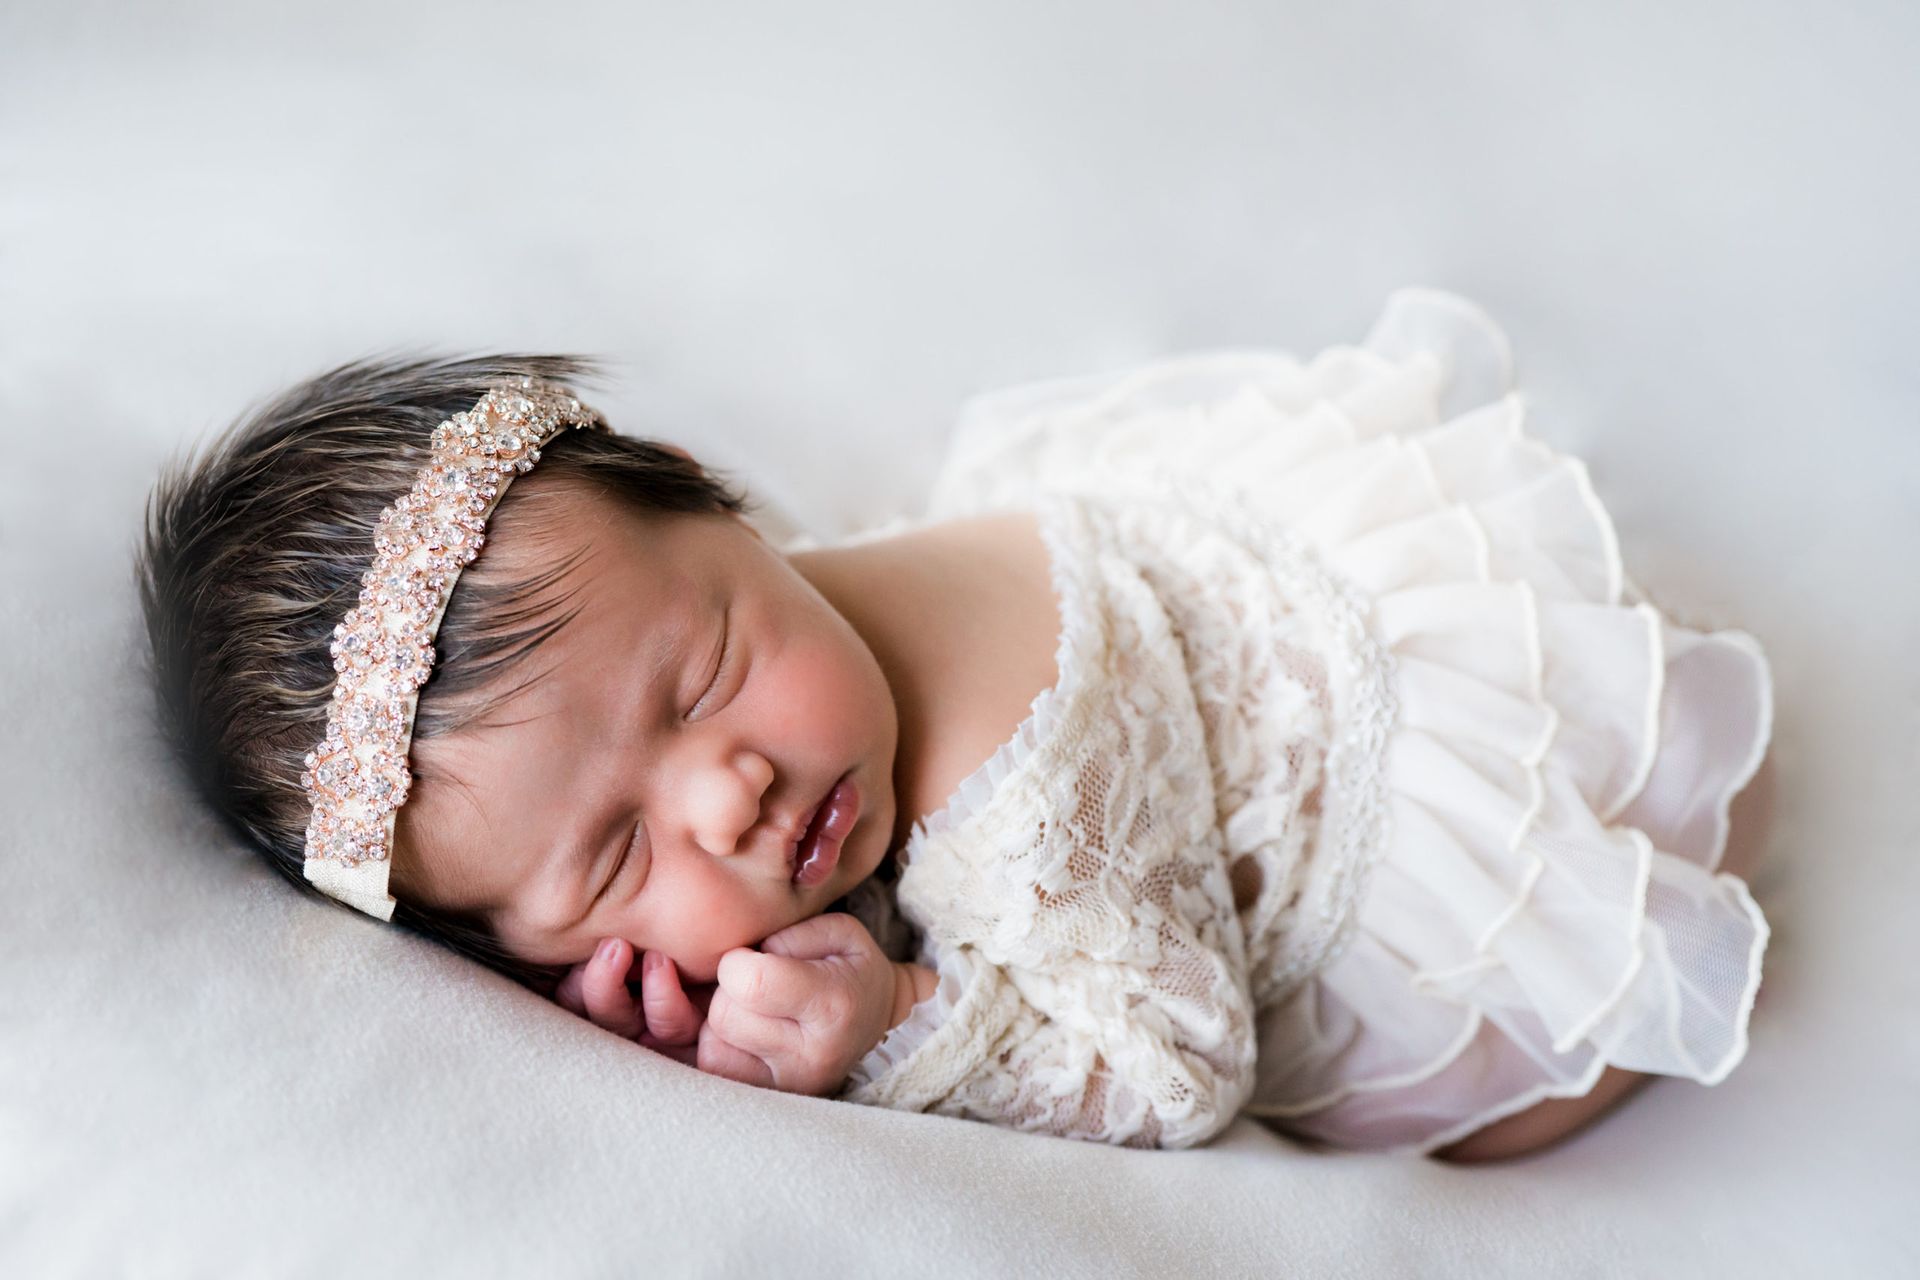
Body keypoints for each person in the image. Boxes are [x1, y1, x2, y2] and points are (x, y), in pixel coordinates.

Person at [135, 288, 1773, 1162]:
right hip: (1227, 583)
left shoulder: (1021, 805)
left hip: (1464, 807)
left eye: (706, 678)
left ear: (728, 509)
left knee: (1463, 1094)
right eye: (615, 853)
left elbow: (1182, 1067)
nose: (733, 796)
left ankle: (1624, 925)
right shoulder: (802, 625)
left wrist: (908, 1023)